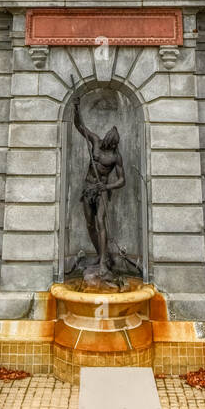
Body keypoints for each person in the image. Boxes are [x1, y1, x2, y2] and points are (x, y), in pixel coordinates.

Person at [73, 96, 125, 281]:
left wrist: (106, 185)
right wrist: (76, 108)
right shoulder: (95, 140)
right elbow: (80, 127)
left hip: (101, 190)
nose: (109, 146)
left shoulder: (116, 157)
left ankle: (103, 263)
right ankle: (100, 254)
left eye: (112, 145)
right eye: (109, 143)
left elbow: (122, 180)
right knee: (89, 224)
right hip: (88, 188)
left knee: (100, 222)